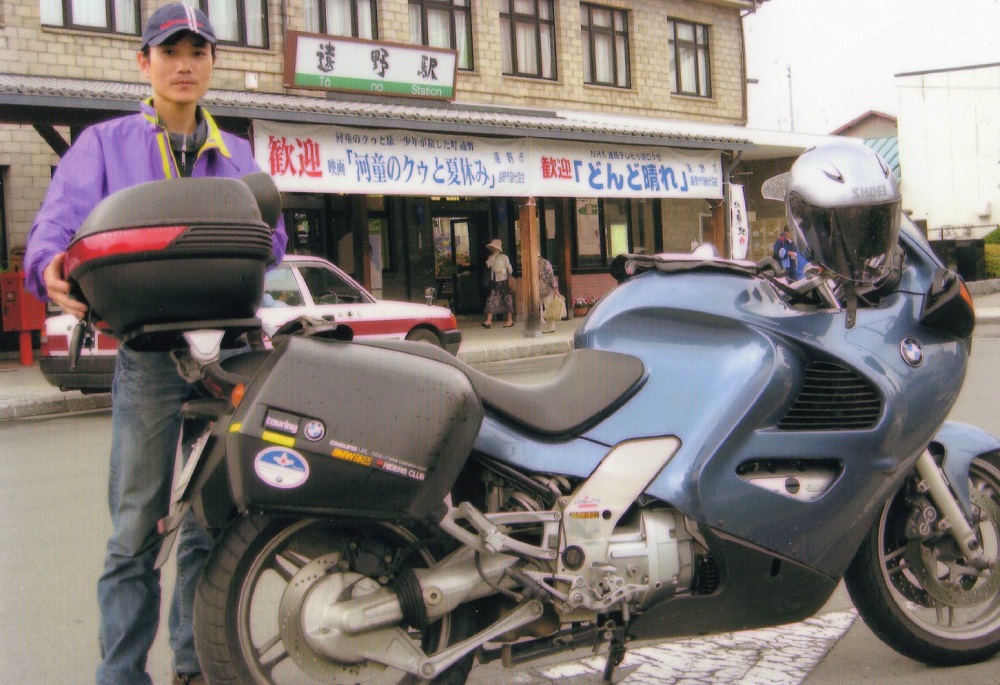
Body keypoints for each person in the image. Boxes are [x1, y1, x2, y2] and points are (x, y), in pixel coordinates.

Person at [22, 5, 288, 685]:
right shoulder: (104, 145)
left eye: (198, 51)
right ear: (143, 63)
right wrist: (49, 266)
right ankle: (120, 674)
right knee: (135, 526)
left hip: (231, 351)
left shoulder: (239, 155)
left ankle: (195, 666)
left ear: (212, 65)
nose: (184, 64)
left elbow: (272, 243)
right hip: (149, 353)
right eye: (169, 51)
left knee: (211, 525)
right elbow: (56, 228)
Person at [482, 238, 514, 328]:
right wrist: (493, 257)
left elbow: (510, 270)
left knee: (507, 300)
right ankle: (488, 321)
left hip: (503, 281)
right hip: (495, 282)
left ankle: (510, 320)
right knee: (491, 299)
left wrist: (501, 271)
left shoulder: (504, 257)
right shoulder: (492, 257)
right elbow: (488, 264)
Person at [537, 254, 560, 333]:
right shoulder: (534, 264)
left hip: (547, 289)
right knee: (538, 308)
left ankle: (551, 327)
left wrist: (555, 288)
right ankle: (540, 326)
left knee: (548, 308)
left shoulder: (546, 263)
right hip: (537, 289)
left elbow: (551, 276)